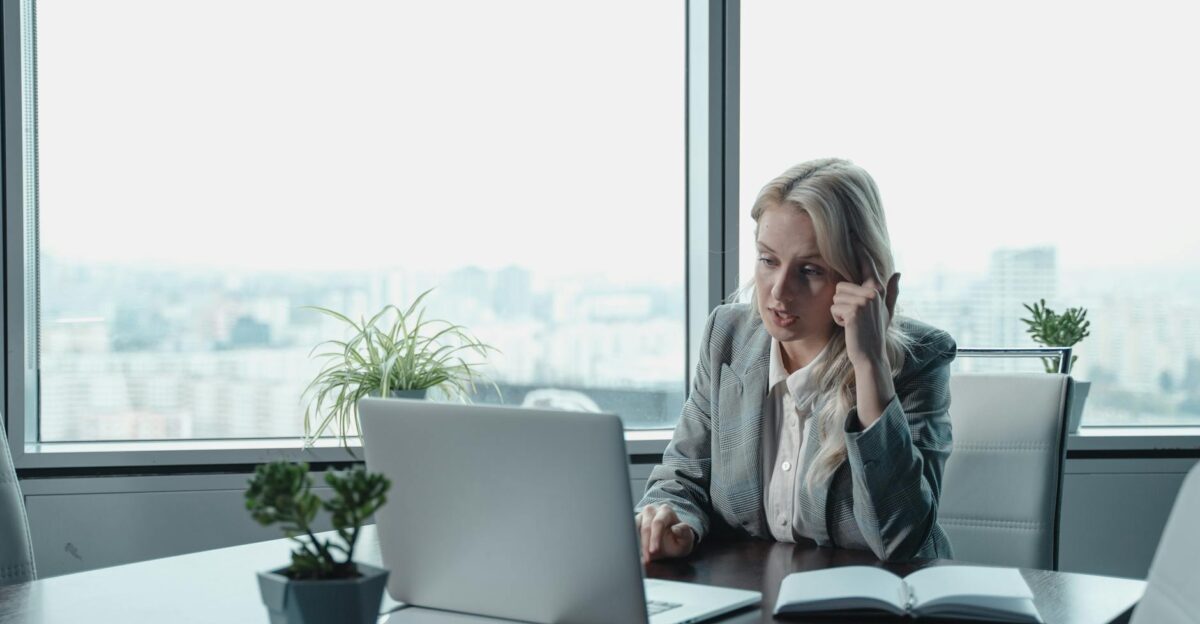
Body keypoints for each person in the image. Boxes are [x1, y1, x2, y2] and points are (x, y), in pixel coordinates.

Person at [635, 158, 957, 563]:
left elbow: (903, 541)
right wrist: (671, 520)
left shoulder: (918, 359)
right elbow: (683, 477)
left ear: (861, 276)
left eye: (810, 269)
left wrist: (870, 366)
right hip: (754, 599)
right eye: (768, 260)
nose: (779, 293)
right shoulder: (728, 337)